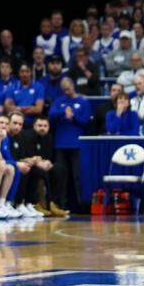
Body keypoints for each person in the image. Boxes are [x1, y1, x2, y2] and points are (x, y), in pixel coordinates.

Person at [47, 77, 90, 211]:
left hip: (77, 144)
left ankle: (81, 205)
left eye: (68, 88)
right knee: (61, 175)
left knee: (78, 176)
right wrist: (63, 112)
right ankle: (61, 204)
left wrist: (73, 117)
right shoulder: (60, 101)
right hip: (61, 144)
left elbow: (86, 120)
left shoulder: (82, 101)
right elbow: (51, 115)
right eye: (64, 89)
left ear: (73, 85)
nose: (67, 91)